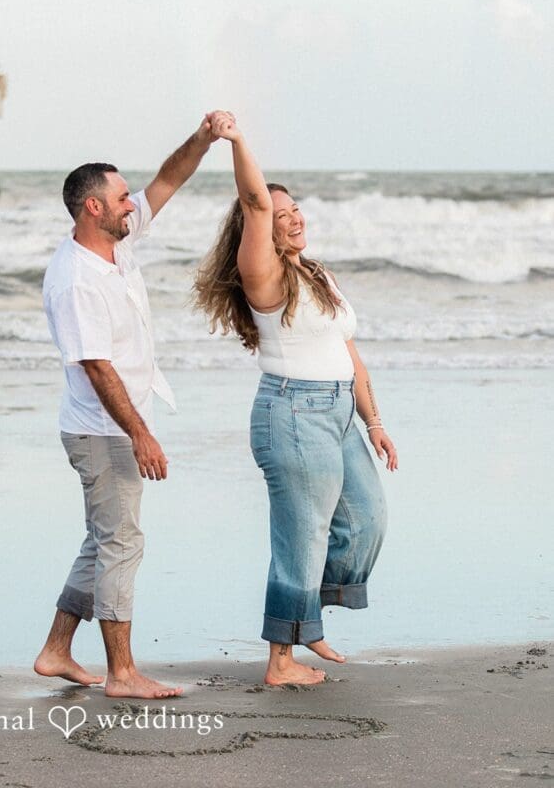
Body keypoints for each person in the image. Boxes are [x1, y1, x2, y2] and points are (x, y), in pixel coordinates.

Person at [194, 113, 398, 686]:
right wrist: (235, 140)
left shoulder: (316, 273)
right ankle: (281, 658)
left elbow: (349, 352)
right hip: (292, 413)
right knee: (300, 537)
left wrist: (375, 421)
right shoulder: (262, 275)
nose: (292, 218)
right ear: (261, 228)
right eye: (279, 215)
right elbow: (254, 202)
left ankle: (306, 616)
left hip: (338, 413)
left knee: (365, 521)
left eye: (295, 209)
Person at [35, 114, 224, 698]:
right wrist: (141, 434)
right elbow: (97, 367)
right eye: (120, 198)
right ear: (93, 208)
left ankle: (56, 651)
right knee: (122, 543)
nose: (131, 204)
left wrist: (204, 137)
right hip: (102, 430)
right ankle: (121, 672)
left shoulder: (117, 239)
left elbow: (167, 181)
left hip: (113, 423)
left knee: (103, 539)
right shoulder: (75, 280)